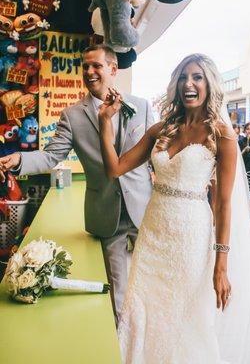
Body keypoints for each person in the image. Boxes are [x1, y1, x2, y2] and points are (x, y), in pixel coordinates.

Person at [99, 53, 250, 363]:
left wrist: (221, 266)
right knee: (139, 308)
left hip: (191, 237)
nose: (189, 83)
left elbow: (224, 204)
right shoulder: (162, 129)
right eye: (184, 77)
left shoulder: (222, 135)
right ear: (176, 84)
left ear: (209, 85)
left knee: (184, 317)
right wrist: (105, 121)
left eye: (197, 77)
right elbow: (115, 168)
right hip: (153, 234)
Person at [0, 44, 154, 325]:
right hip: (107, 217)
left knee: (152, 284)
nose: (89, 71)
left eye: (96, 65)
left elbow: (154, 157)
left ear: (113, 69)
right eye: (85, 66)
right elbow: (50, 156)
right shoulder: (73, 115)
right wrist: (19, 159)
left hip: (145, 209)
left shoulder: (141, 106)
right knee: (117, 295)